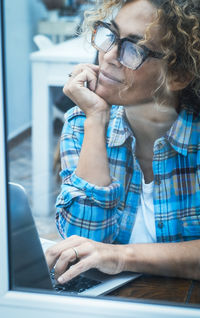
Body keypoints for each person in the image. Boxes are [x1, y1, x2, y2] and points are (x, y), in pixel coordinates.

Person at [45, 0, 200, 285]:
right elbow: (82, 252)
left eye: (134, 49)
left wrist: (119, 256)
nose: (108, 56)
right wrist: (95, 117)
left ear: (178, 75)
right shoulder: (82, 123)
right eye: (110, 36)